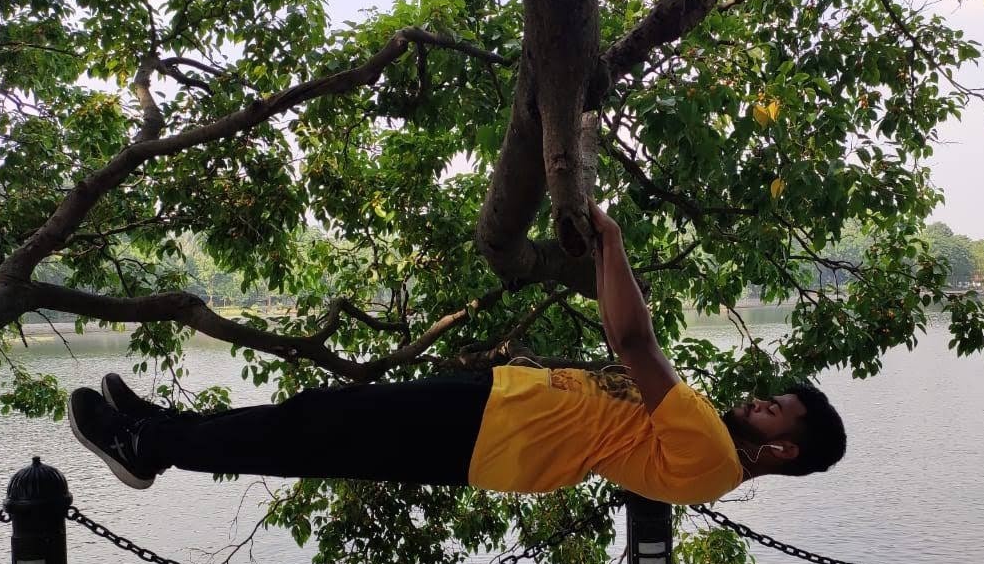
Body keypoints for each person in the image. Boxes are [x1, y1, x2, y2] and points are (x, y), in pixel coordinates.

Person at [68, 204, 846, 505]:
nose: (758, 401)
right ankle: (160, 428)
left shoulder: (711, 452)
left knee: (309, 432)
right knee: (313, 416)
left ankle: (148, 447)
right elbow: (628, 359)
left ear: (782, 447)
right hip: (492, 409)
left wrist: (612, 241)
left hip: (486, 436)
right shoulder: (708, 436)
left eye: (773, 410)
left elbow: (634, 341)